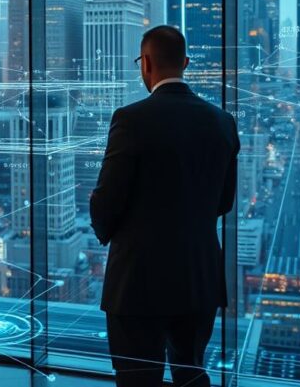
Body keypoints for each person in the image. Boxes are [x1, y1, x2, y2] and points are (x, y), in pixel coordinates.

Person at [90, 26, 240, 387]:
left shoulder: (131, 119)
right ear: (185, 63)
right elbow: (225, 202)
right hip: (198, 278)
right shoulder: (223, 121)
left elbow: (107, 201)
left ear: (147, 63)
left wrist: (105, 228)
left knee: (138, 378)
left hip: (138, 283)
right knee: (190, 372)